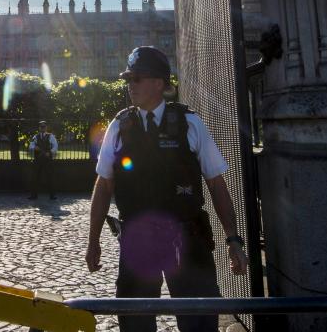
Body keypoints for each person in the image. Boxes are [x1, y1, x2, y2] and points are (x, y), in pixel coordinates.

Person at [85, 46, 249, 332]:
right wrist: (93, 239)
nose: (130, 85)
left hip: (187, 238)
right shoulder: (119, 126)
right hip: (138, 239)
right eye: (128, 79)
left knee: (198, 321)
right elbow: (103, 185)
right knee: (135, 323)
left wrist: (233, 238)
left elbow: (216, 184)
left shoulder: (190, 123)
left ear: (159, 83)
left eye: (137, 78)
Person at [28, 120, 58, 200]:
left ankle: (52, 195)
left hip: (48, 159)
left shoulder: (51, 136)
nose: (42, 128)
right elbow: (31, 145)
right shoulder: (35, 136)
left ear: (46, 127)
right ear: (39, 128)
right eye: (41, 127)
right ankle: (33, 195)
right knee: (35, 177)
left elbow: (55, 146)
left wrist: (50, 152)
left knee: (50, 177)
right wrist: (35, 147)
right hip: (38, 159)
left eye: (44, 126)